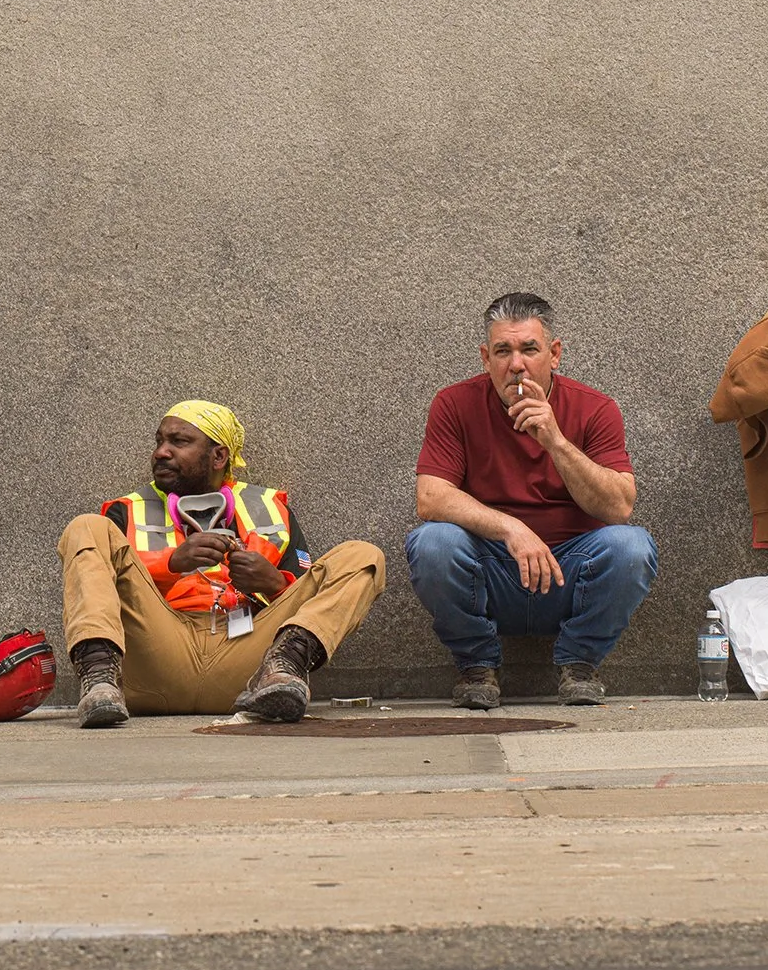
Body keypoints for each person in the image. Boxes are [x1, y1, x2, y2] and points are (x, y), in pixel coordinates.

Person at [60, 400, 385, 726]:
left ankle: (285, 667)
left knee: (364, 556)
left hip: (247, 659)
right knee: (85, 527)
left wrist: (272, 583)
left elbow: (312, 601)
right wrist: (172, 563)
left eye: (179, 441)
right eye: (159, 441)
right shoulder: (126, 510)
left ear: (219, 456)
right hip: (157, 656)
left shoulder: (270, 509)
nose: (161, 451)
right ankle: (99, 679)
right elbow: (104, 587)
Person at [404, 292, 655, 709]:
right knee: (432, 542)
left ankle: (579, 664)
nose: (515, 364)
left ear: (554, 354)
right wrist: (511, 528)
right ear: (486, 358)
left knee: (633, 547)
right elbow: (430, 497)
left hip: (570, 572)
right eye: (503, 350)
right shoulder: (454, 404)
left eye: (529, 349)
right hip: (491, 572)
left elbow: (619, 507)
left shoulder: (595, 409)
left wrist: (556, 441)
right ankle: (477, 666)